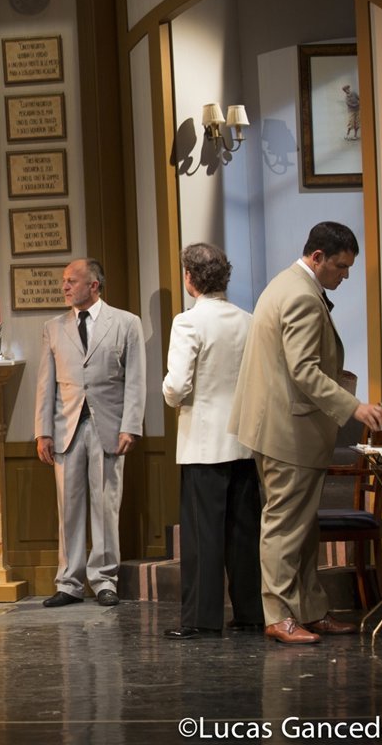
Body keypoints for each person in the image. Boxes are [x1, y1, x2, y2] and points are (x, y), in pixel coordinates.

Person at [230, 221, 382, 644]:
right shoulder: (299, 295)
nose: (345, 275)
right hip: (288, 430)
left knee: (302, 528)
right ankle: (279, 615)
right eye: (340, 266)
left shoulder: (291, 284)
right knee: (284, 526)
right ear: (317, 257)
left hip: (287, 427)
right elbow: (304, 370)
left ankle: (310, 610)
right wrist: (354, 407)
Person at [161, 244, 263, 639]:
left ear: (189, 277)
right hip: (243, 439)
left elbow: (177, 386)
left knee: (203, 536)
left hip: (204, 443)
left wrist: (168, 394)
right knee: (243, 531)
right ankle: (251, 612)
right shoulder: (247, 320)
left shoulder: (188, 322)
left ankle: (201, 620)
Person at [36, 258, 145, 608]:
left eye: (72, 281)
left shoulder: (126, 323)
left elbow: (136, 380)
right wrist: (42, 431)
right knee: (68, 508)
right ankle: (69, 582)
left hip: (108, 426)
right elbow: (46, 384)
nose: (65, 287)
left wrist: (131, 425)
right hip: (66, 428)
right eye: (64, 281)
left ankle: (104, 580)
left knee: (105, 506)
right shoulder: (54, 328)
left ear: (93, 285)